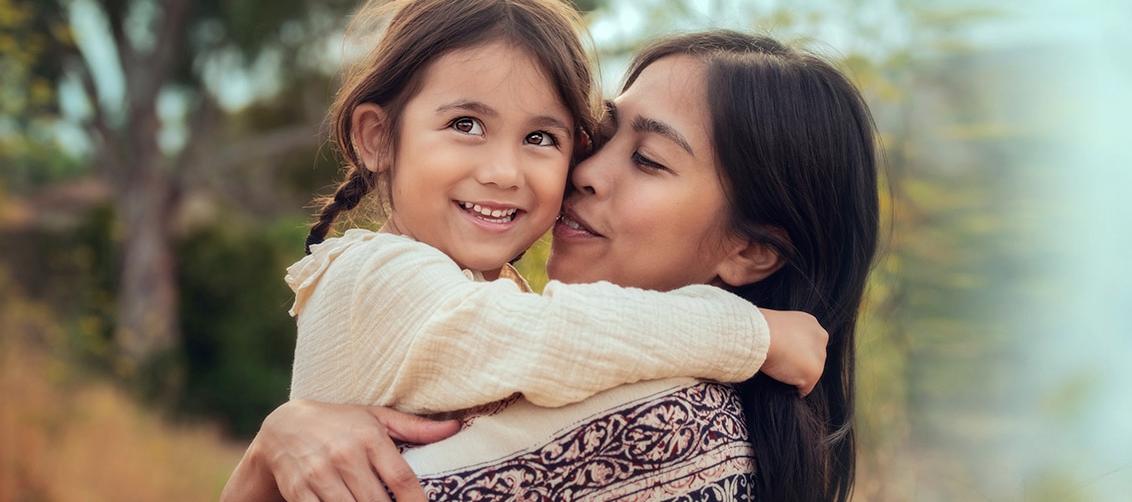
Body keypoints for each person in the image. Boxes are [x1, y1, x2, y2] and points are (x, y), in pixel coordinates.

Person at [222, 30, 879, 501]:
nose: (584, 171)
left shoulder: (674, 428)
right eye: (600, 135)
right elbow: (537, 336)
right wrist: (752, 331)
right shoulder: (400, 280)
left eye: (647, 159)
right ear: (377, 138)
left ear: (750, 250)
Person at [283, 0, 828, 424]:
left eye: (540, 137)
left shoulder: (490, 292)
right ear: (378, 138)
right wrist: (752, 333)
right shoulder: (374, 277)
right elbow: (555, 339)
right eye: (466, 124)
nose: (503, 172)